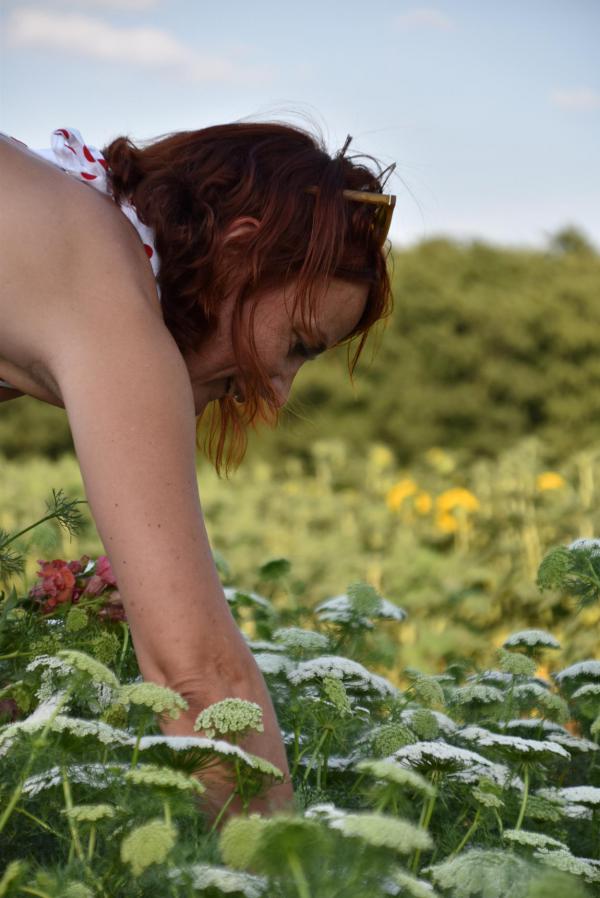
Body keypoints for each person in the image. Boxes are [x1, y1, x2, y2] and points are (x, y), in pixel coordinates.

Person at [0, 120, 396, 824]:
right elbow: (201, 675)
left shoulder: (57, 235)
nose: (276, 392)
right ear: (241, 247)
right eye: (299, 345)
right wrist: (289, 872)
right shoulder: (101, 284)